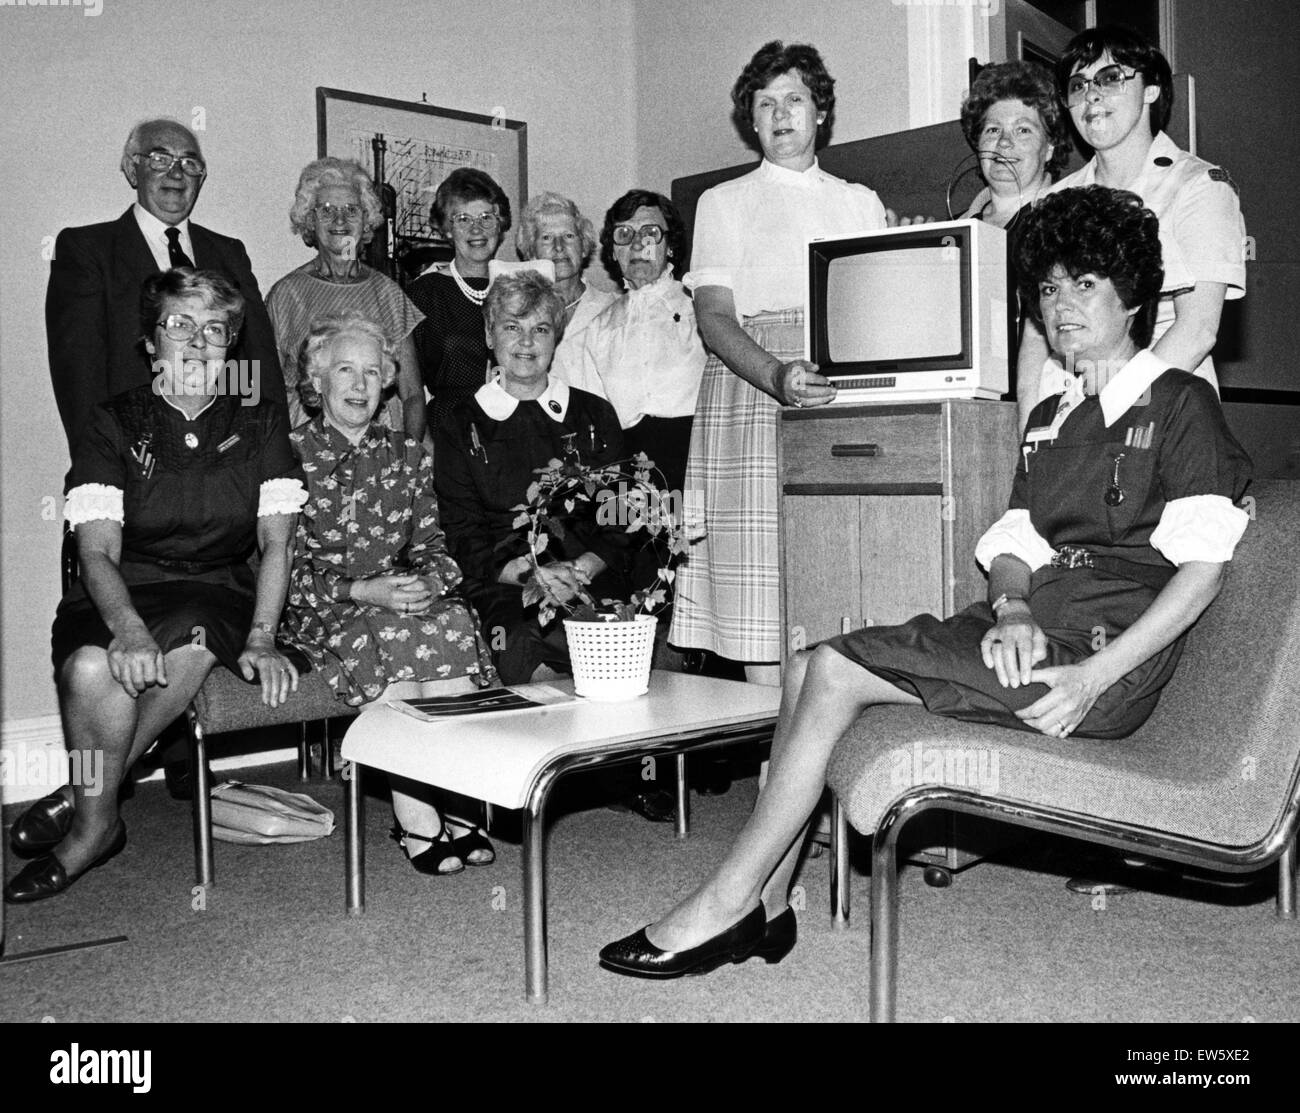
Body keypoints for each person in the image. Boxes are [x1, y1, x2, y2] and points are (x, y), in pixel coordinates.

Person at [599, 185, 1252, 978]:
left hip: (1096, 664)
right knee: (806, 665)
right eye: (1047, 287)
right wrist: (1010, 604)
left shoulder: (1179, 402)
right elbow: (1017, 537)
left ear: (1134, 293)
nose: (1061, 306)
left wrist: (1092, 676)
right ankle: (769, 901)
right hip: (1025, 634)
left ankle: (726, 902)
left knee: (834, 667)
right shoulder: (1052, 412)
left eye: (1085, 284)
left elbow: (1205, 570)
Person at [6, 269, 307, 904]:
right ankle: (95, 790)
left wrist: (263, 635)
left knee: (195, 641)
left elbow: (277, 542)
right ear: (151, 342)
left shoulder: (260, 419)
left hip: (222, 588)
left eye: (215, 330)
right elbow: (96, 551)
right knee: (89, 672)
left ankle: (88, 820)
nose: (198, 342)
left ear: (231, 347)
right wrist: (129, 629)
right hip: (122, 586)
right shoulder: (114, 422)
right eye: (180, 325)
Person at [668, 40, 887, 686]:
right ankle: (773, 756)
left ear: (820, 112)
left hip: (838, 389)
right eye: (766, 105)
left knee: (834, 567)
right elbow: (713, 317)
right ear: (752, 121)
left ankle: (822, 749)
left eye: (794, 99)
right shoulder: (724, 202)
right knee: (758, 592)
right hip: (752, 389)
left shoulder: (859, 201)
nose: (781, 114)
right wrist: (777, 376)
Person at [282, 311, 498, 874]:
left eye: (373, 373)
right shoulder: (288, 456)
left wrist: (429, 580)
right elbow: (282, 568)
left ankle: (456, 797)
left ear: (387, 385)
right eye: (345, 371)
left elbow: (433, 544)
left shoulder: (406, 452)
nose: (359, 384)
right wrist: (363, 589)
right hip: (323, 608)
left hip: (397, 597)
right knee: (391, 634)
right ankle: (417, 816)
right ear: (317, 381)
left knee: (450, 619)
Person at [1017, 25, 1248, 427]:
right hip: (1062, 407)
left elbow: (1197, 330)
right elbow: (1037, 338)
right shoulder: (1054, 200)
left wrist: (1105, 410)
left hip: (1158, 406)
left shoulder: (1197, 187)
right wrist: (1029, 432)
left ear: (1152, 90)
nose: (1091, 95)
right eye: (1078, 85)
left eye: (1111, 78)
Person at [46, 117, 285, 473]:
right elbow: (80, 381)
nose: (176, 174)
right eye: (160, 159)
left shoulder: (229, 252)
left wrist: (275, 462)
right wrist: (99, 473)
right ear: (132, 169)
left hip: (228, 469)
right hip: (135, 466)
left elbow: (259, 364)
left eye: (190, 164)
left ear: (200, 179)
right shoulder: (87, 250)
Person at [435, 271, 625, 686]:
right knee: (521, 641)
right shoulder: (460, 423)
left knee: (610, 640)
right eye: (511, 327)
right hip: (504, 584)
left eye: (540, 329)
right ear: (489, 336)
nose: (526, 342)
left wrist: (580, 568)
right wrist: (531, 576)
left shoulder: (595, 415)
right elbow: (462, 533)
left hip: (589, 576)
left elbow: (620, 517)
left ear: (555, 338)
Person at [266, 158, 426, 441]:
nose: (339, 220)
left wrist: (408, 455)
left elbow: (412, 394)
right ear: (310, 220)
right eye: (326, 210)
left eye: (351, 210)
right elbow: (266, 390)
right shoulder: (285, 294)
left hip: (383, 446)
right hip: (304, 445)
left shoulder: (388, 294)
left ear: (366, 222)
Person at [566, 189, 705, 499]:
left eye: (651, 232)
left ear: (670, 246)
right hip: (625, 476)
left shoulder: (700, 308)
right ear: (614, 252)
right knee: (632, 544)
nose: (638, 244)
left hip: (696, 467)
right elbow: (594, 424)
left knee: (688, 544)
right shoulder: (599, 328)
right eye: (624, 234)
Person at [408, 168, 512, 432]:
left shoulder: (516, 287)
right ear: (447, 228)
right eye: (463, 218)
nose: (476, 228)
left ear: (499, 226)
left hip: (513, 428)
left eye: (486, 217)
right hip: (449, 430)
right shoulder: (424, 294)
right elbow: (409, 392)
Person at [958, 60, 1073, 229]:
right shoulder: (951, 231)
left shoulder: (1070, 225)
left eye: (1022, 130)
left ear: (1050, 146)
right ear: (978, 143)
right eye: (993, 130)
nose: (1004, 141)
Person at [514, 193, 614, 385]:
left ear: (583, 247)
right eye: (546, 238)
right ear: (531, 252)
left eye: (568, 236)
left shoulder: (611, 307)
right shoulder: (517, 313)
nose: (559, 247)